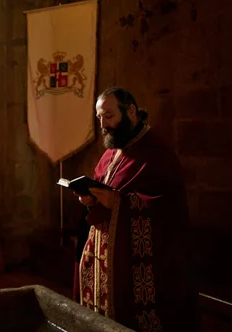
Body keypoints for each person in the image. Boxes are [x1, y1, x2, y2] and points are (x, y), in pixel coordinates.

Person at [77, 87, 198, 332]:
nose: (103, 124)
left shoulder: (157, 152)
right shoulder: (111, 152)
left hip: (140, 266)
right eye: (99, 117)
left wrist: (118, 203)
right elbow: (103, 189)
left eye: (108, 116)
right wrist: (91, 199)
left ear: (131, 111)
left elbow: (167, 210)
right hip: (105, 255)